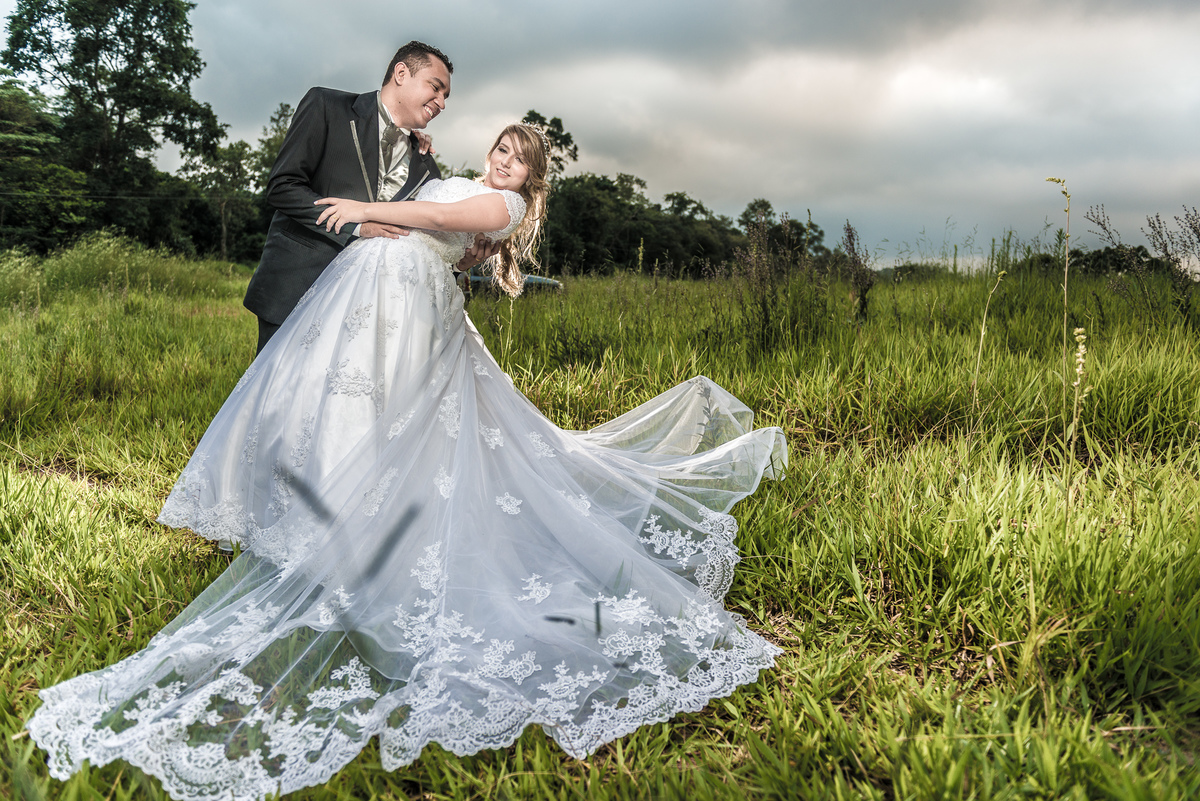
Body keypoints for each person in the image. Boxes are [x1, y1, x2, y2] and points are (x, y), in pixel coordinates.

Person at [28, 124, 788, 801]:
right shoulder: (467, 178)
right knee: (354, 419)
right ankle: (329, 524)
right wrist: (413, 174)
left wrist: (369, 213)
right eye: (500, 149)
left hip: (410, 302)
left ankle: (374, 550)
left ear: (531, 182)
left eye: (519, 161)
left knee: (411, 435)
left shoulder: (504, 209)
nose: (503, 163)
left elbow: (438, 216)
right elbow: (433, 196)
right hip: (384, 297)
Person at [245, 40, 494, 355]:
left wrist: (461, 263)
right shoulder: (327, 106)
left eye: (445, 96)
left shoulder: (428, 168)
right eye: (436, 87)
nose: (442, 102)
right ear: (401, 73)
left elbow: (423, 243)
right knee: (273, 400)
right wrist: (357, 226)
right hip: (297, 288)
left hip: (367, 315)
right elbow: (283, 186)